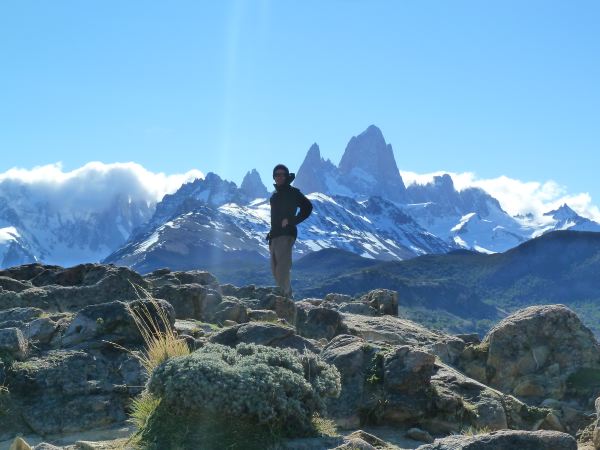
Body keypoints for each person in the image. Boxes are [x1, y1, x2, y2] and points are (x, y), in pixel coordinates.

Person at [267, 164, 313, 298]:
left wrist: (292, 220)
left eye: (282, 174)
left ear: (287, 176)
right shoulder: (275, 195)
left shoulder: (292, 192)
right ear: (274, 177)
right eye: (277, 174)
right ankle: (287, 298)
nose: (280, 177)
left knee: (282, 269)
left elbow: (308, 207)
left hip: (286, 235)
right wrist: (270, 235)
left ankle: (284, 301)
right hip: (274, 236)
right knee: (276, 270)